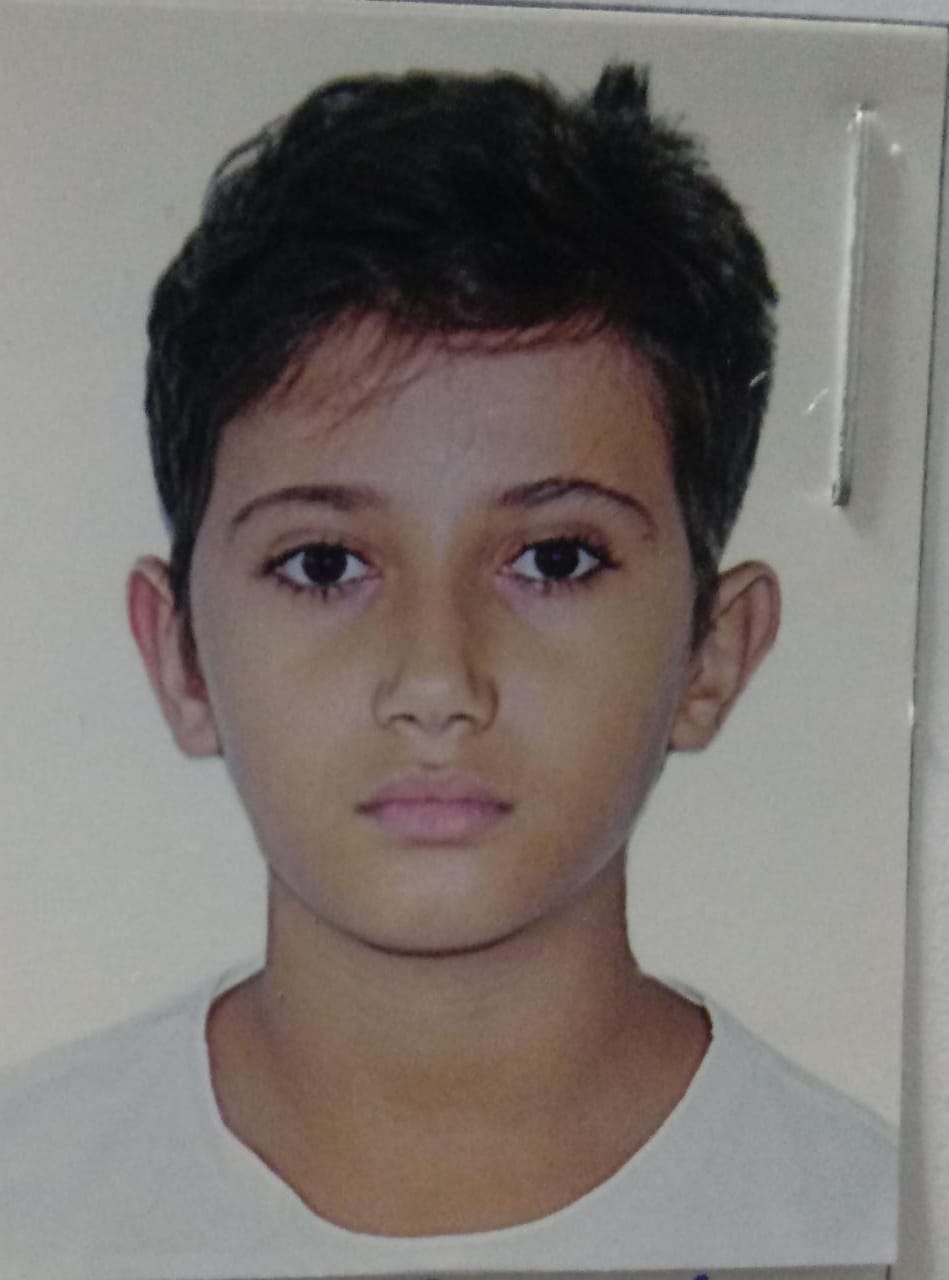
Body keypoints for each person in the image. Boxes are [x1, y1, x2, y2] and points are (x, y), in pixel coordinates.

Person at [0, 64, 896, 1277]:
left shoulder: (876, 1226)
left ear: (713, 649)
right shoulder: (28, 1207)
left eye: (555, 558)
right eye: (323, 564)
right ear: (180, 656)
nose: (436, 680)